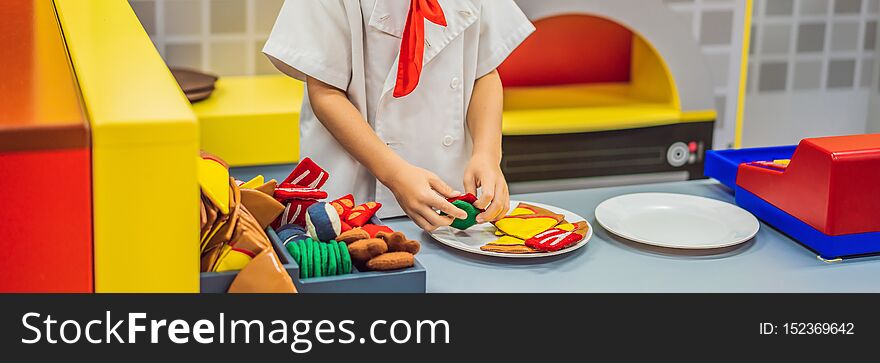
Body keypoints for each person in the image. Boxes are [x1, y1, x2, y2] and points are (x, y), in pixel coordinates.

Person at [263, 0, 534, 231]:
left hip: (448, 195)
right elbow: (325, 93)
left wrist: (487, 154)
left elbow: (483, 72)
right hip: (354, 197)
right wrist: (395, 174)